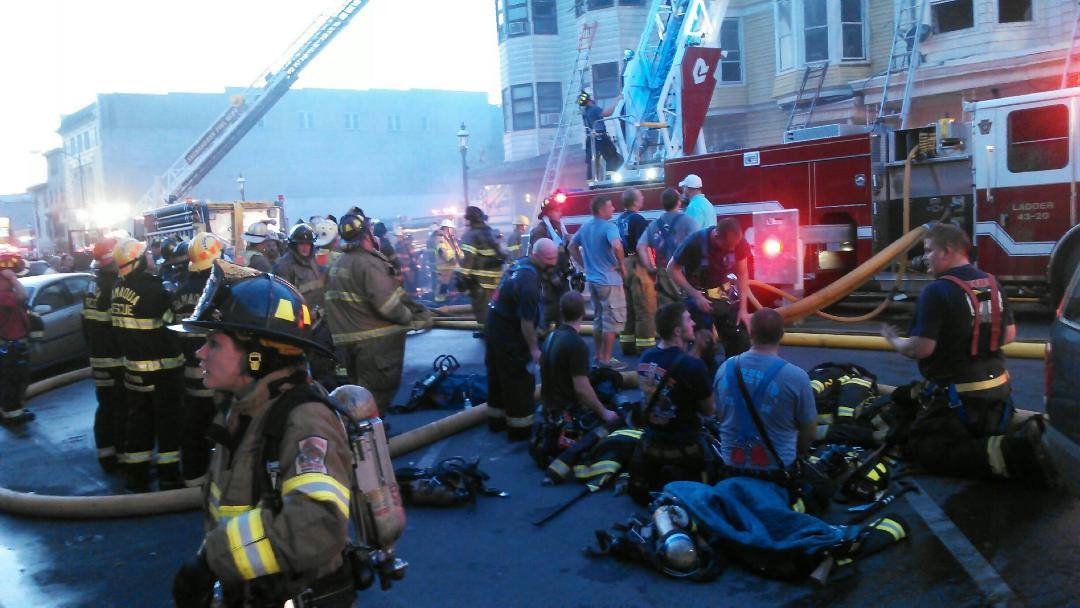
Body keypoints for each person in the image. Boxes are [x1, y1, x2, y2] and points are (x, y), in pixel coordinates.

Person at [169, 260, 355, 608]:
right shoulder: (243, 411)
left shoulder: (305, 420)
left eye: (214, 343)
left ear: (256, 356)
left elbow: (315, 527)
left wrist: (212, 560)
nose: (200, 353)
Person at [880, 224, 1055, 486]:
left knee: (924, 448)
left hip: (959, 401)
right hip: (998, 397)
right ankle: (1010, 438)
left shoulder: (937, 291)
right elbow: (1008, 334)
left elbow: (921, 348)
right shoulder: (988, 283)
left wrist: (894, 340)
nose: (925, 258)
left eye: (928, 251)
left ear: (946, 251)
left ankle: (1013, 454)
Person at [324, 212, 432, 414]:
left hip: (349, 343)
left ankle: (361, 430)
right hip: (374, 345)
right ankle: (371, 431)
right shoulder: (368, 263)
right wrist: (410, 318)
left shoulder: (338, 264)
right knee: (375, 396)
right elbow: (387, 304)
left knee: (358, 397)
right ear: (367, 235)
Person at [110, 238, 185, 491]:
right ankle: (168, 475)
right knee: (168, 422)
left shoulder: (117, 289)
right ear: (139, 261)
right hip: (162, 370)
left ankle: (136, 474)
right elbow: (172, 324)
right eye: (148, 255)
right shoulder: (154, 289)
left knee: (139, 422)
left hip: (133, 370)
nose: (152, 258)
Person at [713, 308, 816, 481]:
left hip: (732, 470)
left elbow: (720, 414)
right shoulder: (796, 377)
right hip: (776, 473)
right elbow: (809, 431)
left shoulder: (725, 369)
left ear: (751, 333)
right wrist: (798, 452)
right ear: (781, 335)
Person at [628, 302, 715, 504]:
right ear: (677, 331)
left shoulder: (646, 357)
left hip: (652, 443)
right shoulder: (694, 366)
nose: (693, 323)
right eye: (688, 320)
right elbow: (708, 410)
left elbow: (676, 371)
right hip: (684, 447)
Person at [485, 238, 559, 440]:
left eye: (555, 258)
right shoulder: (529, 284)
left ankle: (496, 420)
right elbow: (526, 322)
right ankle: (520, 428)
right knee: (518, 378)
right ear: (536, 256)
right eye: (548, 259)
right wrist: (534, 349)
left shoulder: (521, 264)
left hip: (494, 323)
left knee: (497, 375)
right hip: (508, 331)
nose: (553, 263)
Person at [169, 232, 224, 487]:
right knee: (224, 430)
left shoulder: (179, 291)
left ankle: (193, 481)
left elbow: (171, 334)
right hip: (220, 378)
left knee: (192, 431)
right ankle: (223, 481)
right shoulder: (219, 291)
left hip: (189, 377)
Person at [668, 216, 752, 376]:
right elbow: (672, 269)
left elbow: (742, 273)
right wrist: (695, 295)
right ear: (716, 237)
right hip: (699, 299)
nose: (731, 250)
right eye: (727, 246)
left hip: (724, 297)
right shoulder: (694, 243)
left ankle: (734, 378)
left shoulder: (738, 242)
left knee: (739, 340)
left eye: (734, 247)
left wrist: (743, 309)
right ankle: (707, 381)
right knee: (704, 347)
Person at [568, 195, 627, 370]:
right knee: (610, 321)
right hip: (609, 281)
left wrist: (584, 265)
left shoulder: (585, 227)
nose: (613, 209)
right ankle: (607, 360)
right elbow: (616, 245)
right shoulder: (609, 227)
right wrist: (622, 265)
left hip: (593, 280)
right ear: (602, 209)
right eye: (610, 206)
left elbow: (571, 246)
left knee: (598, 319)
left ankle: (598, 356)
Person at [83, 238, 124, 469]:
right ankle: (120, 456)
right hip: (114, 358)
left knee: (106, 405)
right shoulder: (113, 286)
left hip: (98, 356)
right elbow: (119, 327)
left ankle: (106, 454)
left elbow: (85, 324)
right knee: (119, 406)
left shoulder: (93, 284)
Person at [638, 187, 698, 307]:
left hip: (664, 277)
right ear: (678, 202)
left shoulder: (654, 225)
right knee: (688, 312)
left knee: (668, 313)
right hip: (685, 276)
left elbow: (640, 247)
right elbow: (697, 246)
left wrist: (650, 269)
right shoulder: (689, 221)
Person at [615, 187, 656, 356]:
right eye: (640, 196)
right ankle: (646, 348)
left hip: (623, 264)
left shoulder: (620, 219)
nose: (643, 198)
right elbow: (642, 246)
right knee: (644, 307)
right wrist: (651, 268)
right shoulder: (638, 219)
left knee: (628, 308)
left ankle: (627, 345)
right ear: (634, 202)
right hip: (637, 265)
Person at [458, 205, 508, 336]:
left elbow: (468, 259)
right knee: (493, 305)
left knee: (480, 306)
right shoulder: (491, 231)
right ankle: (494, 329)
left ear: (469, 220)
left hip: (480, 279)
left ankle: (485, 331)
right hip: (496, 277)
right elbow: (503, 254)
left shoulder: (470, 235)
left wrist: (462, 276)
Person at [529, 197, 573, 333]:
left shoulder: (559, 229)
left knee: (563, 310)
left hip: (561, 276)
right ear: (548, 213)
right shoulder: (540, 231)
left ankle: (560, 336)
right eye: (556, 210)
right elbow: (539, 258)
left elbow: (562, 252)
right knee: (548, 310)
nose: (560, 213)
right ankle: (541, 336)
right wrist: (552, 275)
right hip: (547, 279)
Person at [0, 250, 33, 425]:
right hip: (10, 347)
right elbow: (23, 296)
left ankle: (14, 409)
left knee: (14, 380)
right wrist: (12, 278)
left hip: (11, 346)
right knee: (12, 381)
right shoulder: (4, 295)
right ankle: (13, 414)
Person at [274, 223, 325, 309]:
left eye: (308, 244)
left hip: (317, 310)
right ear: (294, 245)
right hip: (300, 312)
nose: (305, 247)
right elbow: (284, 296)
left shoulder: (312, 260)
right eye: (301, 244)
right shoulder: (284, 265)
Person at [579, 87, 622, 180]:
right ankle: (610, 180)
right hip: (600, 138)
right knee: (614, 158)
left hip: (591, 139)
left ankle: (592, 182)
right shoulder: (593, 108)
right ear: (590, 98)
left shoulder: (585, 111)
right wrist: (616, 100)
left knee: (593, 162)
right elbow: (607, 113)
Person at [433, 219, 461, 303]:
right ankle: (439, 302)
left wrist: (462, 258)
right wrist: (451, 259)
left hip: (452, 267)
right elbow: (442, 251)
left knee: (453, 286)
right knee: (443, 286)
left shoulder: (451, 238)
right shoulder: (440, 238)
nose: (452, 230)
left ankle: (453, 302)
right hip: (444, 268)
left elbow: (457, 250)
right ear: (446, 228)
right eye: (451, 228)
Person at [393, 227, 418, 293]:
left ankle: (415, 296)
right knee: (406, 287)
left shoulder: (407, 245)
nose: (398, 238)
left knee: (412, 286)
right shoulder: (396, 246)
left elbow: (414, 256)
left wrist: (413, 266)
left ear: (402, 236)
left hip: (409, 269)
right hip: (402, 270)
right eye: (397, 236)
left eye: (399, 236)